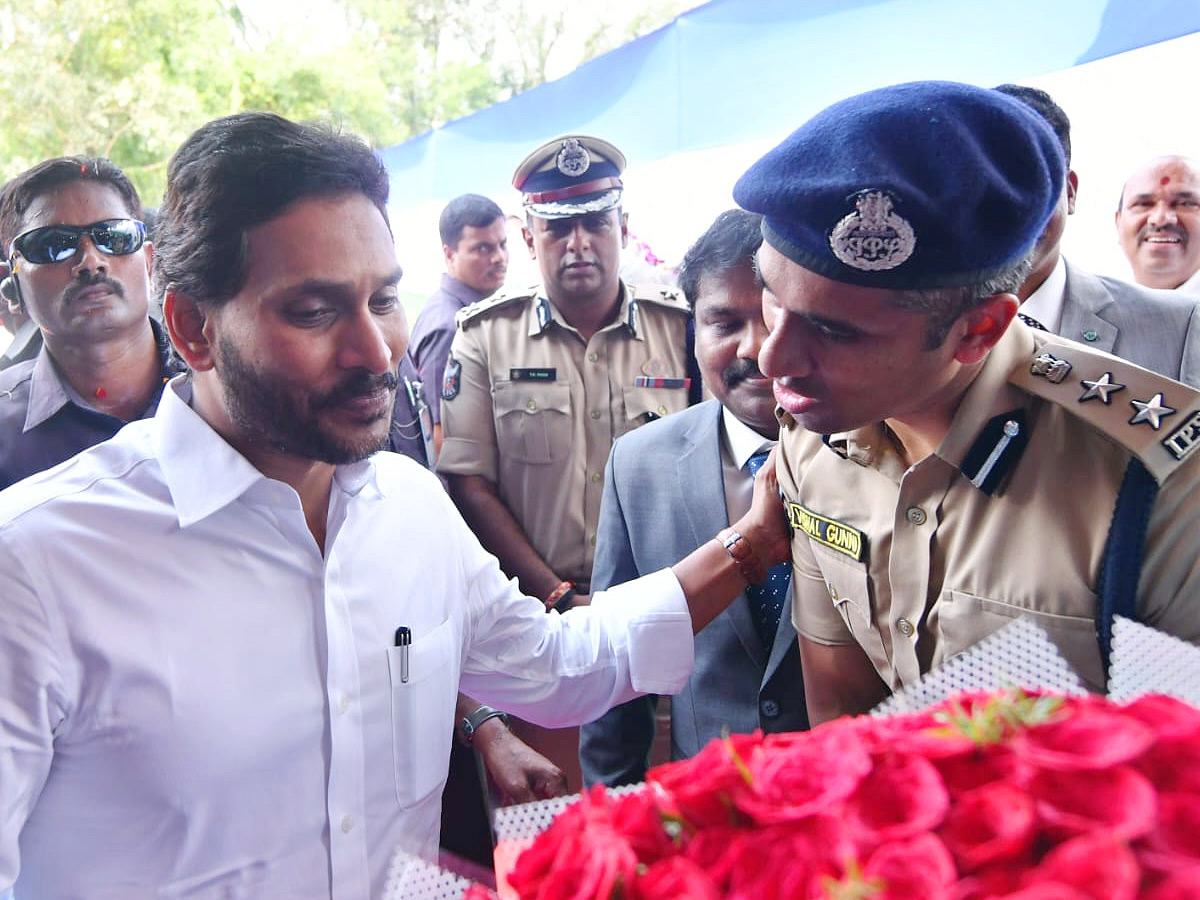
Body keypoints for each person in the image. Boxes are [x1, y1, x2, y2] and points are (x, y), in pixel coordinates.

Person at [0, 111, 788, 898]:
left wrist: (752, 541)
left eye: (382, 299)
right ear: (195, 329)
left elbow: (561, 667)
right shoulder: (36, 564)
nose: (376, 351)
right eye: (314, 312)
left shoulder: (409, 507)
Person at [733, 80, 1200, 725]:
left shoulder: (1159, 483)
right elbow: (841, 714)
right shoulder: (810, 438)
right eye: (772, 298)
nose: (771, 359)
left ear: (978, 329)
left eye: (836, 331)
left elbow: (1181, 780)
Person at [437, 135, 692, 789]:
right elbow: (467, 482)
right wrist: (554, 592)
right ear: (530, 239)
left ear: (623, 229)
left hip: (666, 615)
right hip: (539, 627)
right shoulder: (484, 336)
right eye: (558, 227)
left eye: (594, 223)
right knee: (556, 824)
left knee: (665, 816)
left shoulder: (682, 330)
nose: (578, 243)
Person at [580, 209, 807, 788]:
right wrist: (613, 824)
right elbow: (617, 674)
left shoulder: (884, 452)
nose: (756, 348)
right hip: (707, 810)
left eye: (775, 317)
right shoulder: (639, 465)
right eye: (723, 322)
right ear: (692, 329)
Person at [991, 85, 1200, 387]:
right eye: (986, 188)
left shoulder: (1181, 327)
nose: (1013, 209)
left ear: (1070, 192)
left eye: (1032, 183)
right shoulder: (916, 331)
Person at [0, 157, 186, 489]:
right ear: (13, 283)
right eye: (53, 245)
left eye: (114, 237)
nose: (90, 261)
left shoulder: (229, 385)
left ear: (149, 262)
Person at [408, 194, 509, 459]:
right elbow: (441, 437)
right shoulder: (449, 328)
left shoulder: (476, 315)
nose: (499, 257)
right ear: (449, 253)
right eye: (484, 248)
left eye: (503, 244)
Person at [1115, 154, 1200, 293]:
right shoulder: (1091, 306)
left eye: (1185, 204)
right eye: (1143, 204)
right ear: (1118, 224)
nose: (1160, 219)